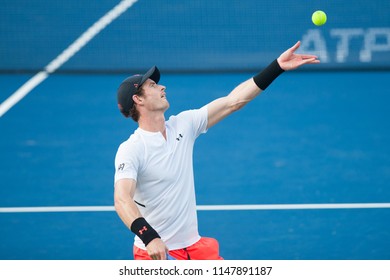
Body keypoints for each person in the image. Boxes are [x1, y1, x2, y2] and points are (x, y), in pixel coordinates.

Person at [114, 41, 320, 260]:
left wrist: (277, 66)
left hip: (194, 248)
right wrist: (149, 237)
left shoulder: (183, 124)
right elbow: (122, 199)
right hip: (157, 252)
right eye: (153, 86)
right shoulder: (132, 149)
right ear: (138, 99)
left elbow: (234, 101)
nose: (162, 87)